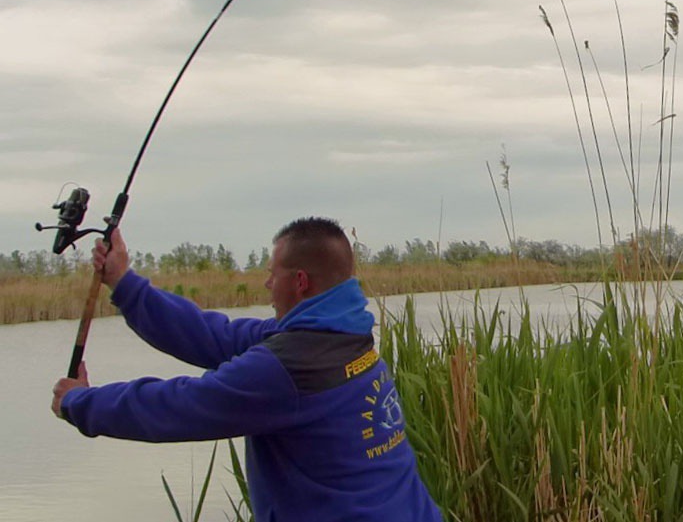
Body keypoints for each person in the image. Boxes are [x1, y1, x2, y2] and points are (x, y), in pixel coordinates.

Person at [52, 217, 443, 522]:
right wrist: (124, 284)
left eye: (273, 273)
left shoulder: (288, 369)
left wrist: (80, 402)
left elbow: (179, 406)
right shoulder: (348, 334)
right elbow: (212, 335)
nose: (267, 282)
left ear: (300, 281)